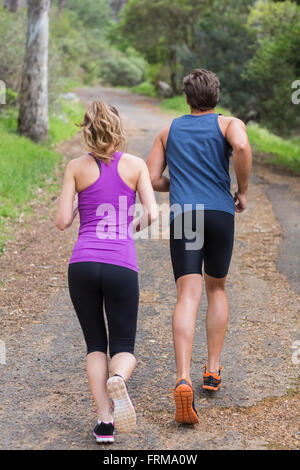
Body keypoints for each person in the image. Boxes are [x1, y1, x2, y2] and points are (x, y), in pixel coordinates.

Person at [147, 69, 252, 424]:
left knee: (187, 296)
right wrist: (244, 189)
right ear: (216, 96)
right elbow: (240, 146)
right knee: (216, 287)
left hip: (185, 215)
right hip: (220, 213)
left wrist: (177, 184)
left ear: (187, 98)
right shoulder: (229, 124)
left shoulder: (168, 130)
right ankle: (212, 369)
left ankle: (182, 377)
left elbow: (151, 178)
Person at [56, 101, 158, 443]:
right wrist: (132, 224)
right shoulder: (136, 165)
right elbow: (153, 215)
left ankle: (104, 423)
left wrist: (76, 203)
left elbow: (62, 222)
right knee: (124, 344)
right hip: (120, 264)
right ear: (118, 128)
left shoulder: (75, 167)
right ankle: (120, 380)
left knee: (95, 344)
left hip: (82, 265)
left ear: (87, 129)